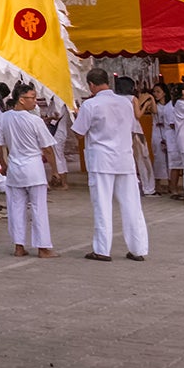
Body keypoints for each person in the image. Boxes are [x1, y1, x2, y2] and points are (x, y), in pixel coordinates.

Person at [72, 68, 150, 262]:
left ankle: (102, 249)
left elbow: (79, 133)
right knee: (132, 204)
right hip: (124, 157)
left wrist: (76, 115)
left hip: (101, 159)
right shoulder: (125, 103)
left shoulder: (90, 105)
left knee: (102, 205)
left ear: (91, 85)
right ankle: (138, 248)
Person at [0, 84, 58, 258]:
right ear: (22, 99)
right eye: (32, 98)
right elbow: (48, 148)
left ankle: (19, 246)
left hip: (14, 168)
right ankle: (43, 247)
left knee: (16, 208)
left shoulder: (4, 118)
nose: (35, 102)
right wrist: (55, 170)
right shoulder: (34, 120)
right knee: (38, 208)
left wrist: (3, 163)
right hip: (33, 168)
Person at [117, 76, 155, 197]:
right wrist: (144, 104)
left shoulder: (116, 99)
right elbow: (138, 115)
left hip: (123, 131)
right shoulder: (133, 98)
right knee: (143, 159)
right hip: (136, 130)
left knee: (127, 159)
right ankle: (148, 187)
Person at [150, 83, 172, 196]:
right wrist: (151, 99)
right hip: (157, 133)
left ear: (164, 92)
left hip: (167, 132)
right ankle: (157, 183)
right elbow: (154, 111)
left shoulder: (170, 105)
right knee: (159, 157)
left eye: (158, 91)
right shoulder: (154, 104)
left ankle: (170, 183)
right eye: (154, 92)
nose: (156, 94)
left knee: (170, 159)